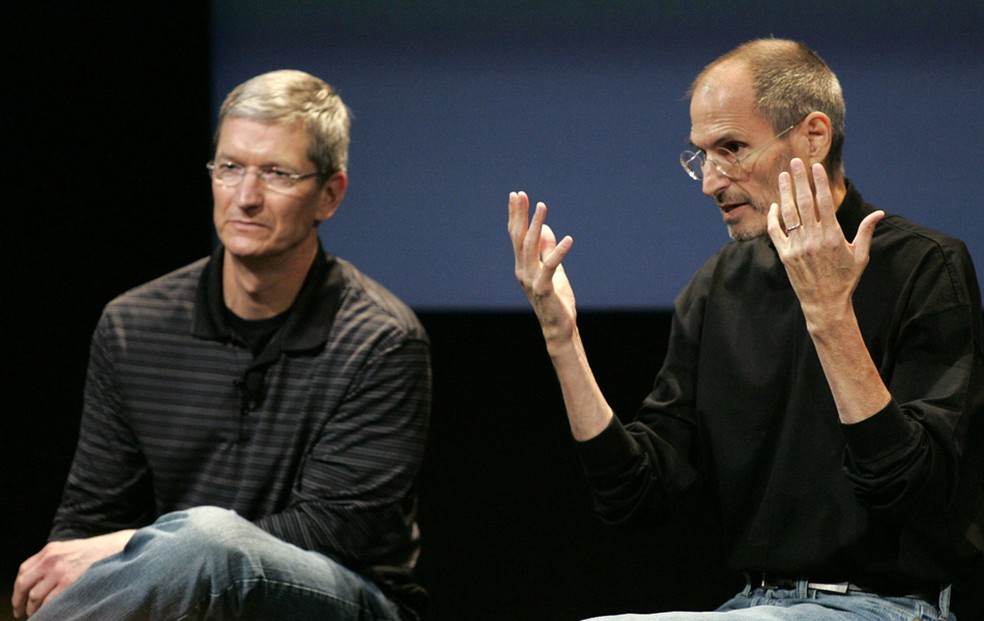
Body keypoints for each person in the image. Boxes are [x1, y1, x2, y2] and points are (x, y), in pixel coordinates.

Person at [509, 38, 984, 620]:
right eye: (701, 155)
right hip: (751, 604)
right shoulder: (718, 287)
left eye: (731, 149)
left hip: (888, 606)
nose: (711, 182)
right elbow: (636, 497)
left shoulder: (925, 266)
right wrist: (563, 340)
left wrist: (831, 314)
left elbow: (915, 492)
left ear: (814, 135)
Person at [12, 70, 431, 620]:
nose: (246, 197)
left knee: (210, 540)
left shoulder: (382, 341)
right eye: (230, 168)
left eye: (277, 173)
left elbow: (331, 531)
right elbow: (89, 522)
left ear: (329, 195)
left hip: (341, 599)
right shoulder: (133, 326)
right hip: (186, 598)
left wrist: (140, 549)